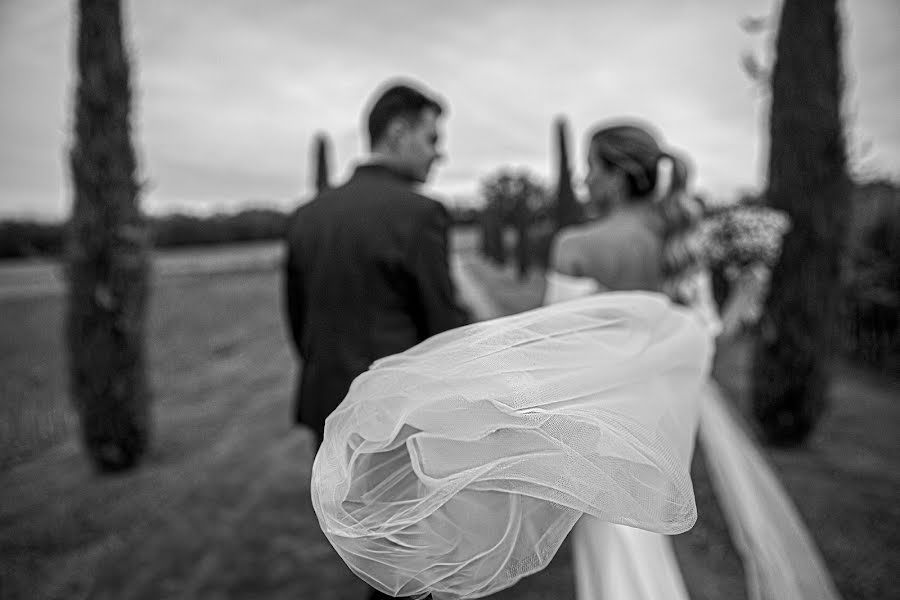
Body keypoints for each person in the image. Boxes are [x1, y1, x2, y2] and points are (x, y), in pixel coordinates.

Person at [283, 80, 468, 599]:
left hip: (328, 410)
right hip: (396, 425)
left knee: (373, 554)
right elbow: (443, 333)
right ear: (399, 131)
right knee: (411, 564)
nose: (440, 153)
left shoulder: (306, 217)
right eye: (433, 138)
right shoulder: (420, 214)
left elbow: (300, 328)